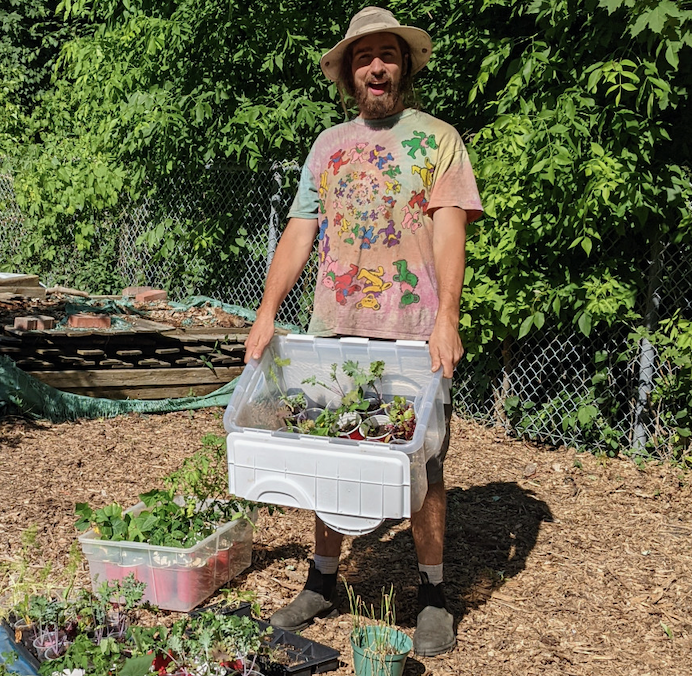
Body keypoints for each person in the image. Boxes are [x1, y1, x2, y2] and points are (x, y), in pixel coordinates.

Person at [242, 6, 482, 657]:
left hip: (410, 334)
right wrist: (267, 312)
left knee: (422, 464)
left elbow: (451, 230)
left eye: (387, 55)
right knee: (331, 456)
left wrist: (447, 318)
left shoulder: (438, 139)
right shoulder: (327, 145)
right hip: (334, 332)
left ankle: (432, 594)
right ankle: (322, 580)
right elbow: (300, 231)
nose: (376, 66)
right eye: (363, 57)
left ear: (403, 66)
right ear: (349, 73)